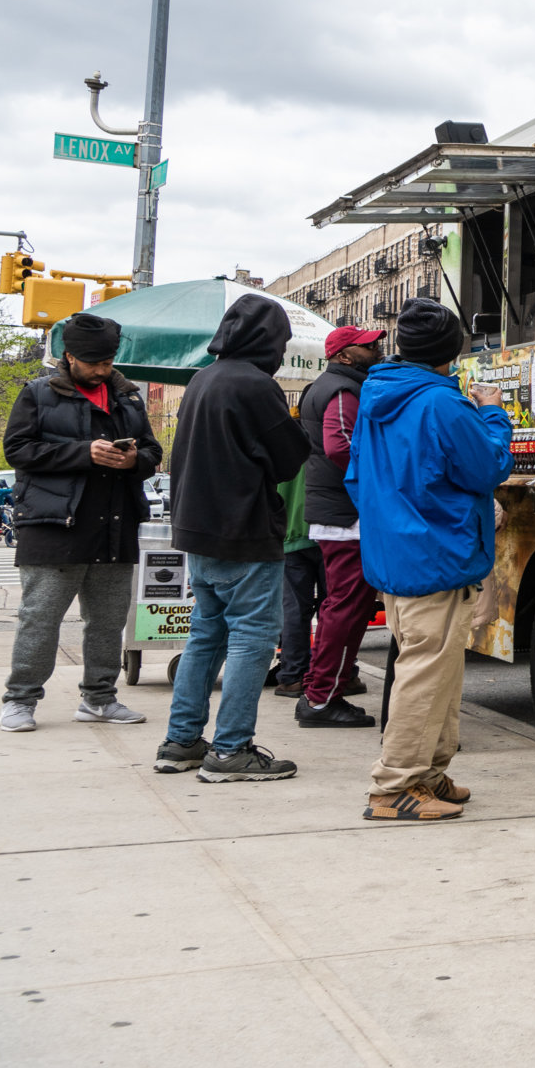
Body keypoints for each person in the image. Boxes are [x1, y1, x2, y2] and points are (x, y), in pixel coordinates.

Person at [346, 299, 511, 821]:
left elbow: (356, 479)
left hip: (398, 554)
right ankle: (395, 785)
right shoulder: (442, 403)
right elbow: (488, 468)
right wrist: (492, 411)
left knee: (436, 669)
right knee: (426, 670)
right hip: (436, 554)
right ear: (451, 351)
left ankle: (428, 773)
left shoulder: (377, 394)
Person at [154, 296, 312, 780]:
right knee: (251, 639)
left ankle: (181, 742)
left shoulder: (203, 378)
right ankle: (230, 750)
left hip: (198, 529)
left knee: (206, 633)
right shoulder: (256, 386)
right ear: (267, 342)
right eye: (281, 342)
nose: (282, 352)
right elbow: (289, 458)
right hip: (243, 528)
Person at [0, 313, 161, 732]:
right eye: (93, 363)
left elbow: (151, 451)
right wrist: (82, 453)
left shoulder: (129, 397)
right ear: (69, 357)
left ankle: (100, 697)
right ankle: (20, 700)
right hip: (54, 525)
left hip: (115, 524)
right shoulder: (37, 393)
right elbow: (17, 450)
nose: (102, 369)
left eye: (108, 362)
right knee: (41, 617)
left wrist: (134, 460)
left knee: (108, 620)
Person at [294, 325, 385, 726]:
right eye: (367, 345)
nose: (376, 348)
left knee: (344, 606)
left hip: (338, 513)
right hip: (346, 516)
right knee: (346, 608)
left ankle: (322, 690)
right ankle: (320, 698)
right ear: (345, 356)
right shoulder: (343, 389)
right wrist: (378, 481)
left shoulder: (332, 385)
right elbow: (339, 446)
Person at [270, 473, 321, 698]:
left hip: (288, 529)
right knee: (334, 608)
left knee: (293, 609)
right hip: (328, 527)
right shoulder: (332, 436)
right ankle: (333, 675)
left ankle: (292, 676)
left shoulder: (281, 437)